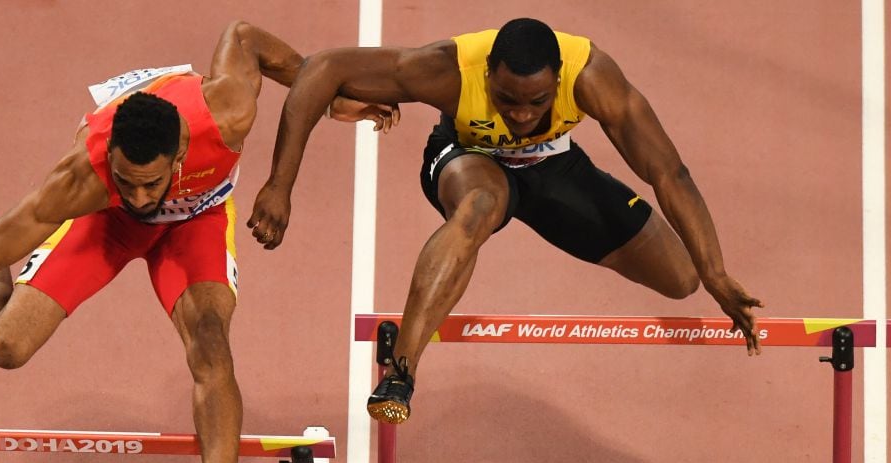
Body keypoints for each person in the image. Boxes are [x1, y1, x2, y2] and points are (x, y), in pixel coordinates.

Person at [0, 21, 396, 463]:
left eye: (150, 183)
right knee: (2, 346)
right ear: (111, 161)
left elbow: (245, 37)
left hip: (197, 218)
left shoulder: (226, 114)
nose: (141, 196)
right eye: (128, 179)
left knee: (210, 341)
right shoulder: (84, 179)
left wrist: (320, 113)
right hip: (106, 222)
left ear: (181, 154)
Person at [249, 18, 763, 425]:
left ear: (559, 82)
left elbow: (668, 171)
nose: (520, 113)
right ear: (488, 73)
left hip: (553, 165)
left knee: (682, 278)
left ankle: (688, 266)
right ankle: (400, 373)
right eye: (507, 99)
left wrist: (715, 272)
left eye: (538, 101)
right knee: (480, 206)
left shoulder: (593, 76)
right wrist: (279, 184)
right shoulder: (447, 68)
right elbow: (324, 68)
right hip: (469, 160)